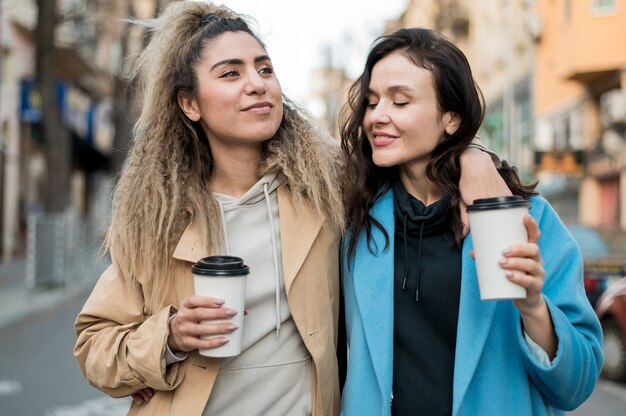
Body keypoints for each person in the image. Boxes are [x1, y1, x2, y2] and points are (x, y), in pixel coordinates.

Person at [73, 2, 509, 415]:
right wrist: (168, 337)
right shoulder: (159, 219)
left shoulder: (328, 189)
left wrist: (473, 159)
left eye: (265, 68)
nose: (257, 83)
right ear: (189, 103)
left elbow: (412, 155)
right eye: (230, 73)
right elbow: (94, 346)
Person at [339, 28, 603, 416]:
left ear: (451, 118)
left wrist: (532, 307)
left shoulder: (525, 218)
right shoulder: (355, 220)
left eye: (399, 101)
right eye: (372, 101)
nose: (377, 116)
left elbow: (575, 387)